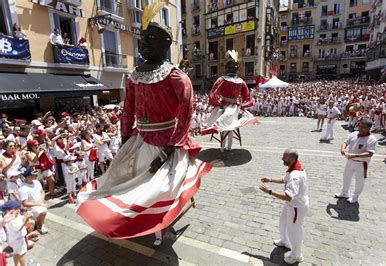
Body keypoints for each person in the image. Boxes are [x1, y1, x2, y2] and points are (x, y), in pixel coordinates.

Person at [76, 3, 212, 246]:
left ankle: (158, 227)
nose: (144, 44)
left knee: (159, 188)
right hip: (140, 139)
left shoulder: (176, 77)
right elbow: (128, 109)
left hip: (167, 142)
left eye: (151, 38)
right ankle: (131, 220)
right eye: (142, 39)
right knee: (123, 180)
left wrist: (171, 147)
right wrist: (126, 137)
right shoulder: (135, 76)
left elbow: (186, 112)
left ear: (166, 44)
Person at [201, 50, 258, 152]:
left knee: (221, 122)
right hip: (235, 107)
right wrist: (243, 107)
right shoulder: (241, 81)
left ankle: (222, 147)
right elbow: (247, 98)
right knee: (231, 124)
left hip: (224, 106)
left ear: (227, 68)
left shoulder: (221, 79)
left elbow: (213, 93)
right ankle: (229, 147)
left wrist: (218, 103)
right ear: (237, 69)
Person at [258, 148, 308, 264]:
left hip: (296, 207)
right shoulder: (294, 167)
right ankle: (285, 241)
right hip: (291, 205)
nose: (282, 159)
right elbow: (285, 179)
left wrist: (269, 192)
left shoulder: (295, 175)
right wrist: (270, 179)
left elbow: (288, 196)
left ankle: (296, 255)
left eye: (284, 157)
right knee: (283, 223)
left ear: (290, 159)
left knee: (294, 231)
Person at [335, 118, 377, 204]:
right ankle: (344, 192)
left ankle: (355, 196)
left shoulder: (372, 139)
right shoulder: (354, 134)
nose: (359, 128)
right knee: (346, 176)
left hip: (361, 163)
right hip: (350, 160)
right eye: (359, 125)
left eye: (362, 127)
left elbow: (370, 153)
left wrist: (355, 155)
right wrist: (343, 148)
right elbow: (346, 142)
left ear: (368, 128)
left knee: (359, 180)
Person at [18, 169, 48, 235]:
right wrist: (39, 204)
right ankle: (40, 226)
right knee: (43, 211)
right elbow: (25, 203)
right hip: (30, 207)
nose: (37, 175)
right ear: (28, 177)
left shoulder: (37, 182)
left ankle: (39, 222)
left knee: (43, 209)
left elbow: (42, 191)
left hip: (38, 203)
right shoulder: (22, 189)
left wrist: (41, 201)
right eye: (34, 175)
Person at [2, 200, 29, 266]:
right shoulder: (11, 219)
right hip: (18, 240)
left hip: (12, 240)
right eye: (17, 208)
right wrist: (26, 219)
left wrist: (24, 216)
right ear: (10, 210)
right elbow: (19, 228)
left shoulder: (9, 215)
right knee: (22, 254)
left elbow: (19, 218)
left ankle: (16, 265)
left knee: (15, 253)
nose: (19, 209)